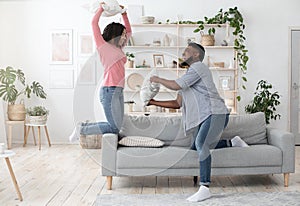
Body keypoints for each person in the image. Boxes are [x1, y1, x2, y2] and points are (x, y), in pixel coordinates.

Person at [148, 42, 249, 202]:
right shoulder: (187, 77)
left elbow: (174, 85)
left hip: (215, 112)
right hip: (206, 116)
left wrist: (157, 79)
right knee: (197, 146)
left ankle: (205, 187)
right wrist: (153, 102)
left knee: (202, 145)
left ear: (196, 55)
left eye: (187, 51)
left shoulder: (199, 67)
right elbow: (177, 103)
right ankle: (232, 142)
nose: (183, 53)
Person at [69, 2, 131, 142]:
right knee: (114, 127)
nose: (124, 37)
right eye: (122, 34)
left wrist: (124, 13)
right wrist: (101, 8)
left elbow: (129, 31)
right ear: (115, 35)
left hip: (118, 91)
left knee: (117, 126)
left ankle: (109, 140)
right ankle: (82, 128)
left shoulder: (120, 48)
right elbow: (94, 24)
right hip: (109, 90)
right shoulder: (104, 46)